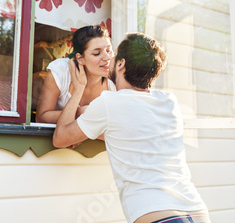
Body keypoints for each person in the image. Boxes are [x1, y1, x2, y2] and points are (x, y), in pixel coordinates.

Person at [53, 33, 210, 223]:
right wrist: (88, 121)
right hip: (197, 211)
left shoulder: (109, 104)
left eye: (114, 54)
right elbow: (129, 132)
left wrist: (78, 90)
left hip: (159, 216)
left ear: (120, 64)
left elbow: (60, 138)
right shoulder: (169, 102)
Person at [36, 25, 115, 124]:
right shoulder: (60, 70)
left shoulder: (116, 78)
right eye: (97, 53)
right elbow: (41, 117)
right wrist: (80, 113)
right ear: (80, 59)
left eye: (109, 50)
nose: (107, 57)